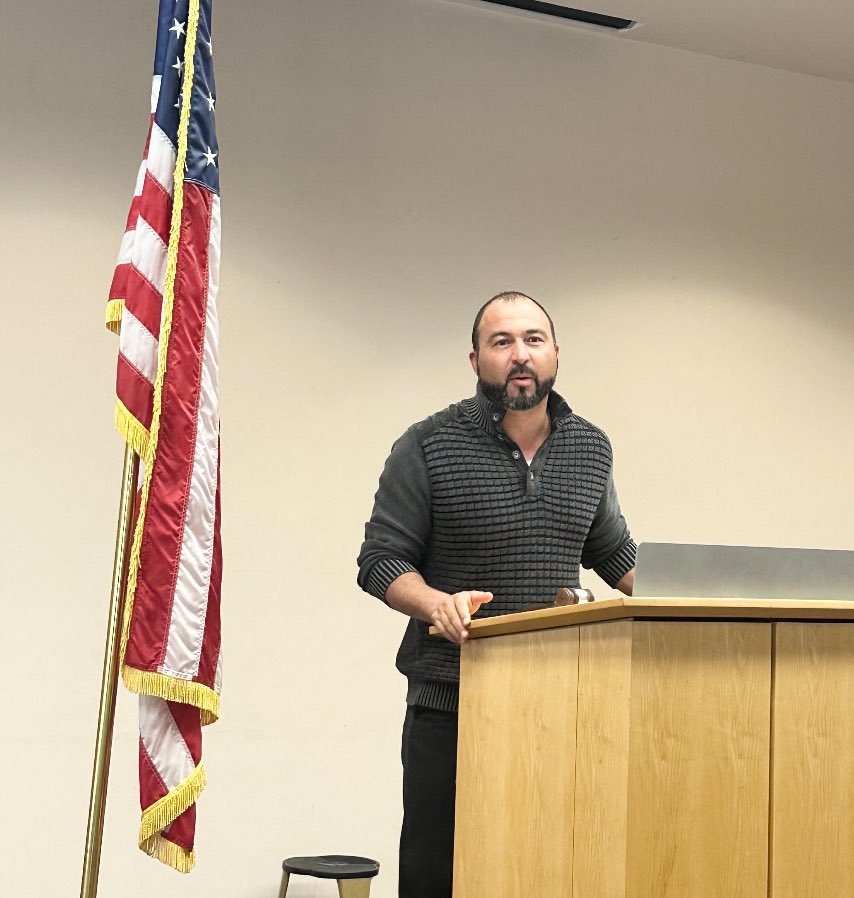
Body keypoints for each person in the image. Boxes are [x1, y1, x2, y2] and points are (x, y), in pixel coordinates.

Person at [357, 291, 636, 898]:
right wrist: (436, 604)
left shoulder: (591, 448)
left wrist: (687, 592)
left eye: (533, 340)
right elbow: (381, 560)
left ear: (556, 355)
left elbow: (613, 555)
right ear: (476, 358)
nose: (519, 355)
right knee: (440, 875)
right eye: (502, 342)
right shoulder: (428, 445)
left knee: (549, 871)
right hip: (452, 702)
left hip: (564, 704)